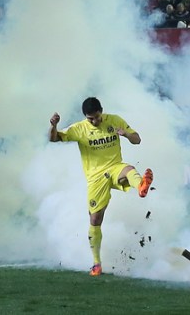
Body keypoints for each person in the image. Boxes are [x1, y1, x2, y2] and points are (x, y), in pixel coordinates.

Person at [49, 97, 153, 276]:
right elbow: (54, 139)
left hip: (115, 167)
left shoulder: (115, 120)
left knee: (129, 170)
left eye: (97, 117)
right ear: (85, 117)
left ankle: (141, 186)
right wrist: (54, 126)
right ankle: (96, 263)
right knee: (95, 220)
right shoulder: (79, 128)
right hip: (96, 177)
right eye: (91, 119)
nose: (95, 121)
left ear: (101, 111)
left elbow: (137, 140)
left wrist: (126, 134)